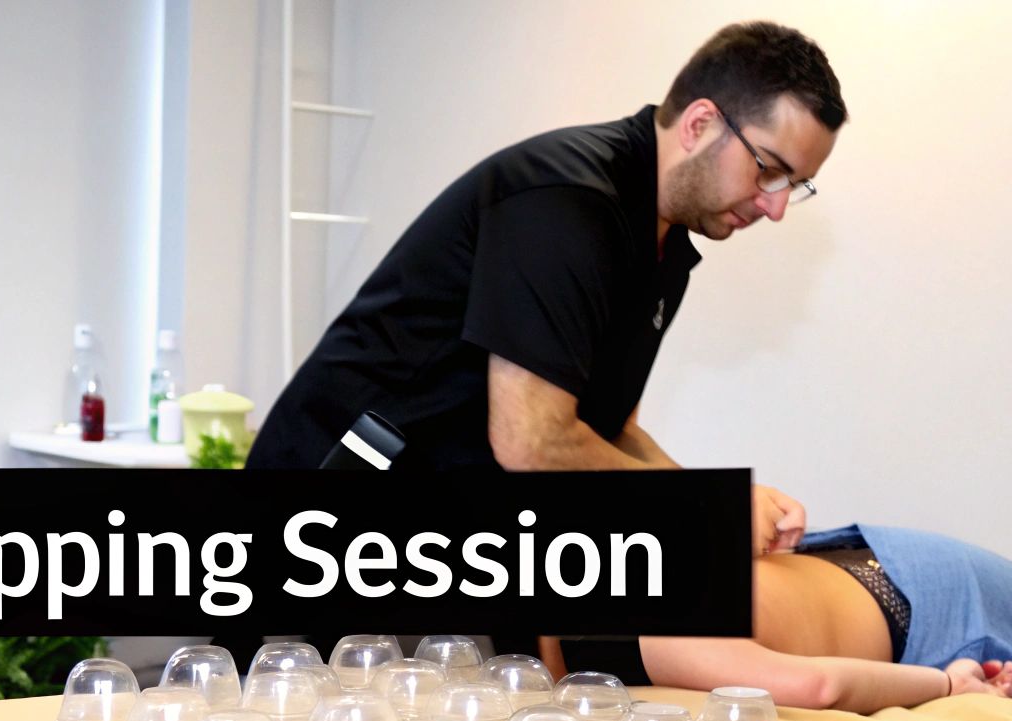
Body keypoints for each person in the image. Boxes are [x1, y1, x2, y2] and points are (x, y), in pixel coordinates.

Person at [245, 21, 846, 557]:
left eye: (796, 185)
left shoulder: (662, 247)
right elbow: (532, 442)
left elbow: (608, 432)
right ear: (700, 124)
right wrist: (703, 508)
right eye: (769, 169)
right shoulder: (565, 199)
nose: (775, 207)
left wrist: (721, 503)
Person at [543, 524, 1012, 714]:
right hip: (867, 561)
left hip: (927, 594)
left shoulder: (662, 620)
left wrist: (941, 685)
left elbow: (814, 689)